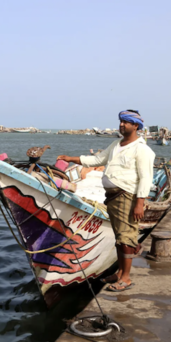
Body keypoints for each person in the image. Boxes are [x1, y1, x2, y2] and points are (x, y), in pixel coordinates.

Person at [57, 109, 155, 292]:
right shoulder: (117, 144)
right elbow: (97, 159)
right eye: (121, 121)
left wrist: (140, 203)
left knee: (127, 238)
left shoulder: (142, 149)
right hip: (113, 198)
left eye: (126, 122)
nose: (121, 124)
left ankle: (125, 279)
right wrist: (71, 158)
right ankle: (119, 273)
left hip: (127, 197)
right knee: (119, 237)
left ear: (136, 126)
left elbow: (145, 178)